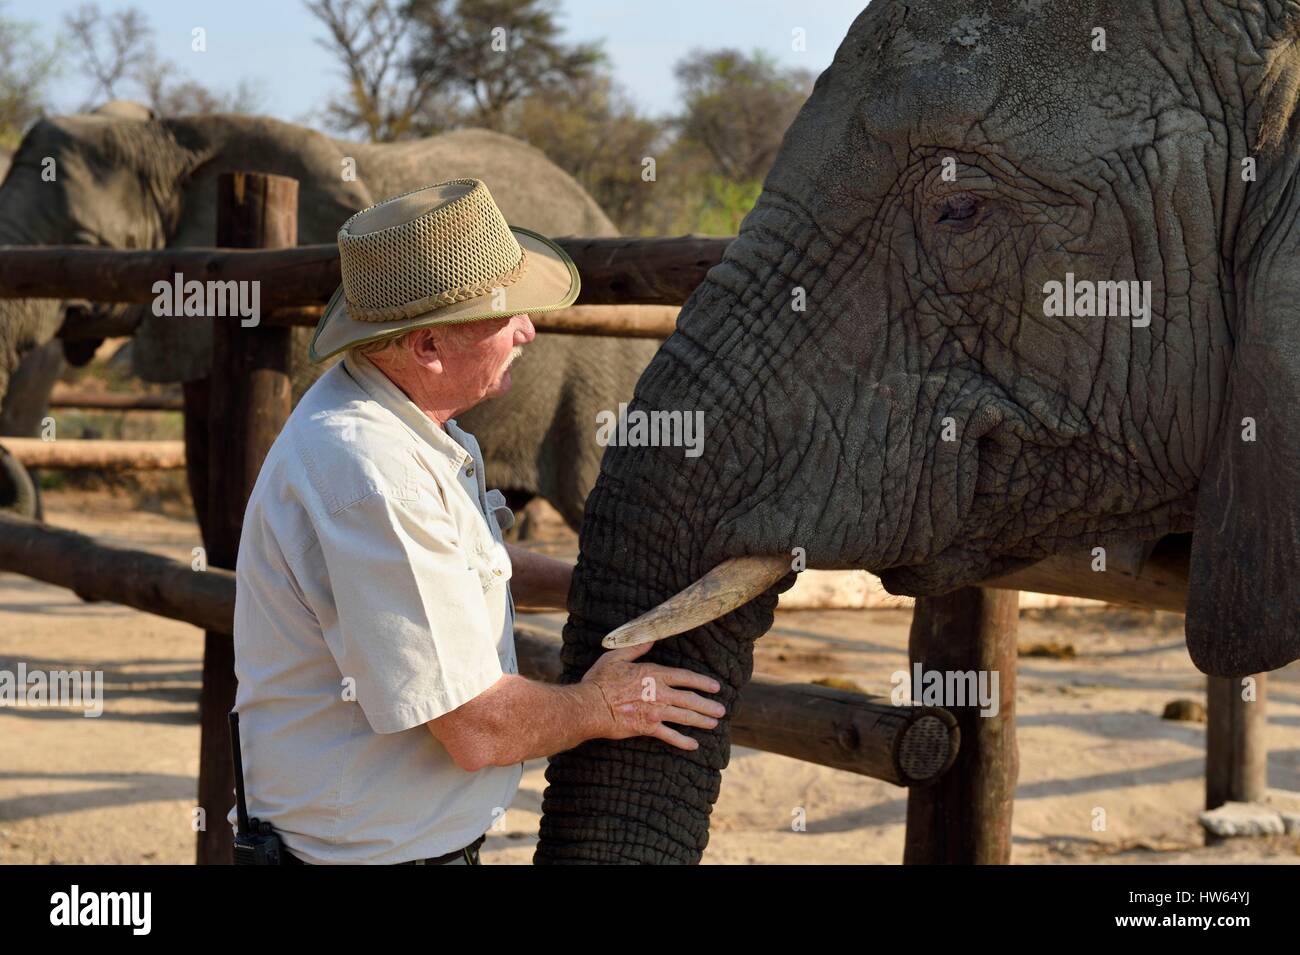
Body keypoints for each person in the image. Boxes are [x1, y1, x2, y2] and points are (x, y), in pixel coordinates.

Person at [228, 178, 725, 864]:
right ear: (429, 345)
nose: (528, 330)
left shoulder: (412, 428)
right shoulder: (375, 472)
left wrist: (592, 585)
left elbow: (453, 567)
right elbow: (475, 726)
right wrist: (604, 706)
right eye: (505, 314)